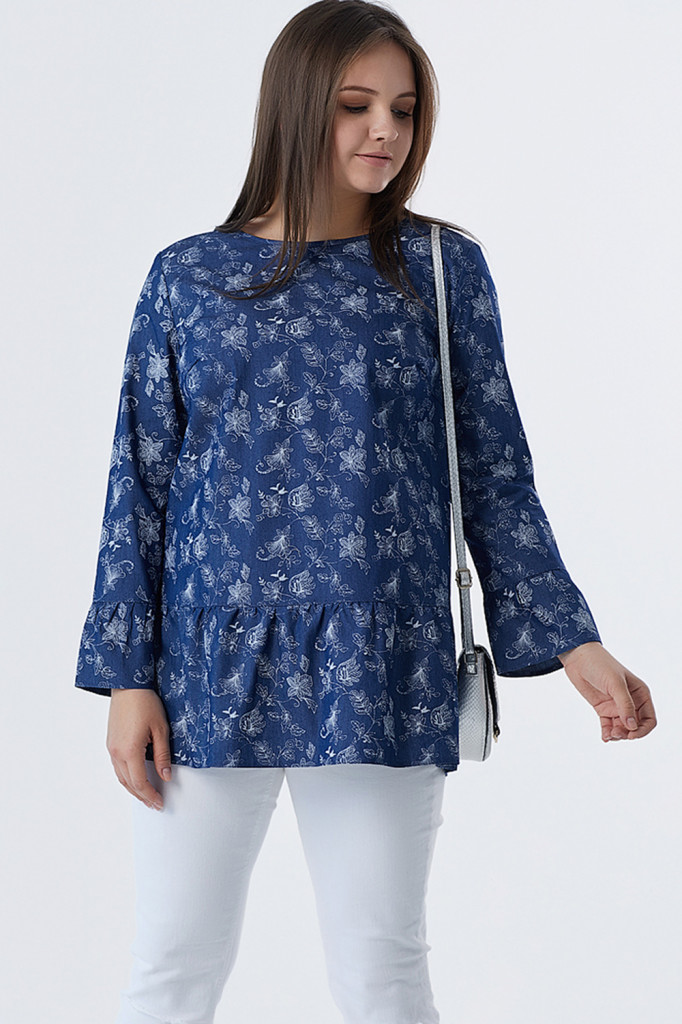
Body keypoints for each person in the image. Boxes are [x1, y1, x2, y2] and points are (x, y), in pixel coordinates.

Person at [74, 2, 657, 1022]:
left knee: (382, 969)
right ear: (297, 105)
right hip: (208, 668)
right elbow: (141, 482)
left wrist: (574, 641)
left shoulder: (440, 270)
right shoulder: (188, 277)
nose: (385, 129)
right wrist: (129, 678)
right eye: (355, 105)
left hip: (379, 664)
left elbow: (493, 468)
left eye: (403, 108)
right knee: (172, 968)